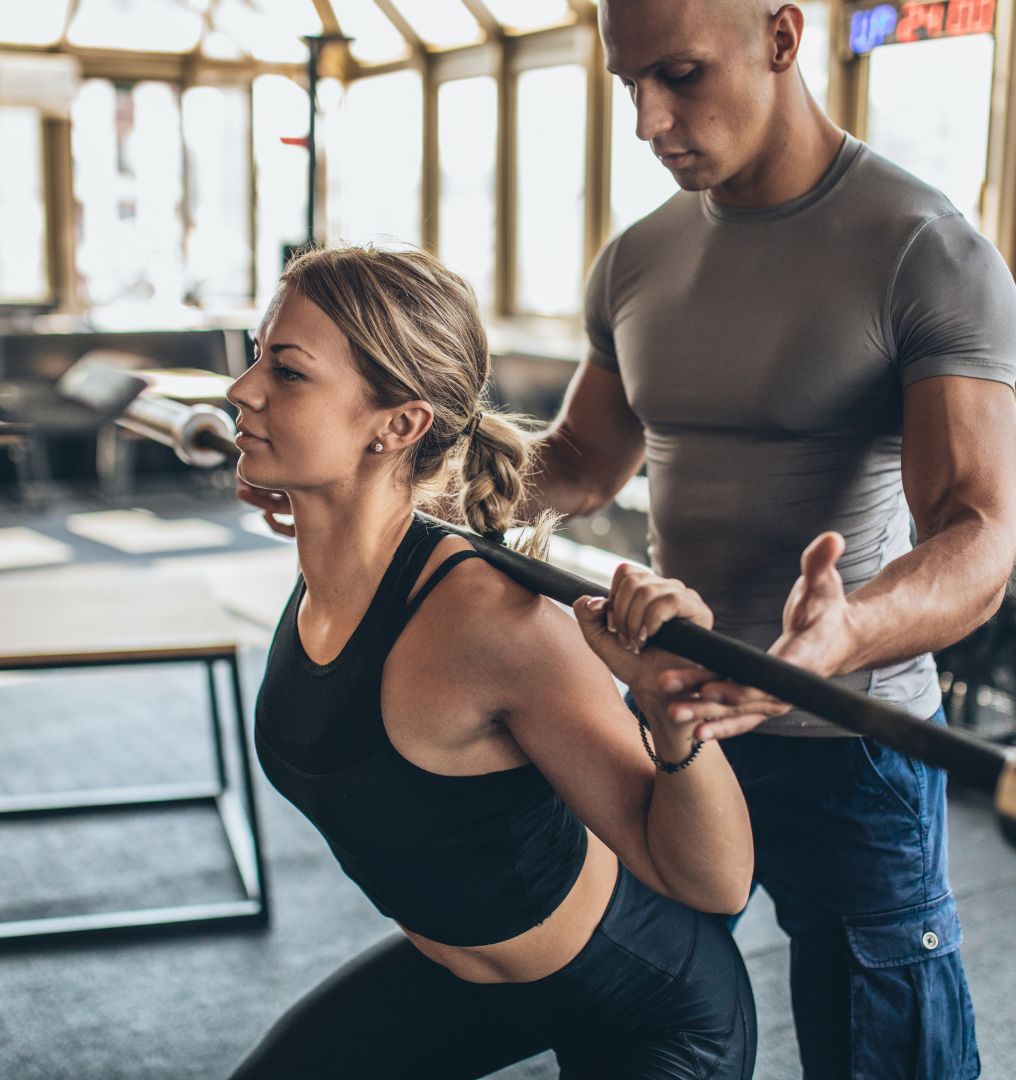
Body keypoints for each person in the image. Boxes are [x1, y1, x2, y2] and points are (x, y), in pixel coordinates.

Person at [508, 2, 1014, 1078]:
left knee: (881, 1058)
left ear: (782, 38)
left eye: (680, 75)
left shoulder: (925, 249)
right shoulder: (635, 259)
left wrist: (846, 634)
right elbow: (580, 464)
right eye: (627, 83)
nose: (648, 118)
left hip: (851, 743)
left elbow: (979, 531)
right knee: (641, 1034)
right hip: (671, 729)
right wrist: (398, 467)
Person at [226, 245, 759, 1080]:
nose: (241, 390)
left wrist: (670, 715)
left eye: (286, 373)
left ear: (399, 425)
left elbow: (716, 886)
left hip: (651, 1011)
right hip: (477, 984)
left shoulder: (492, 623)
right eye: (256, 356)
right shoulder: (330, 567)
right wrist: (305, 494)